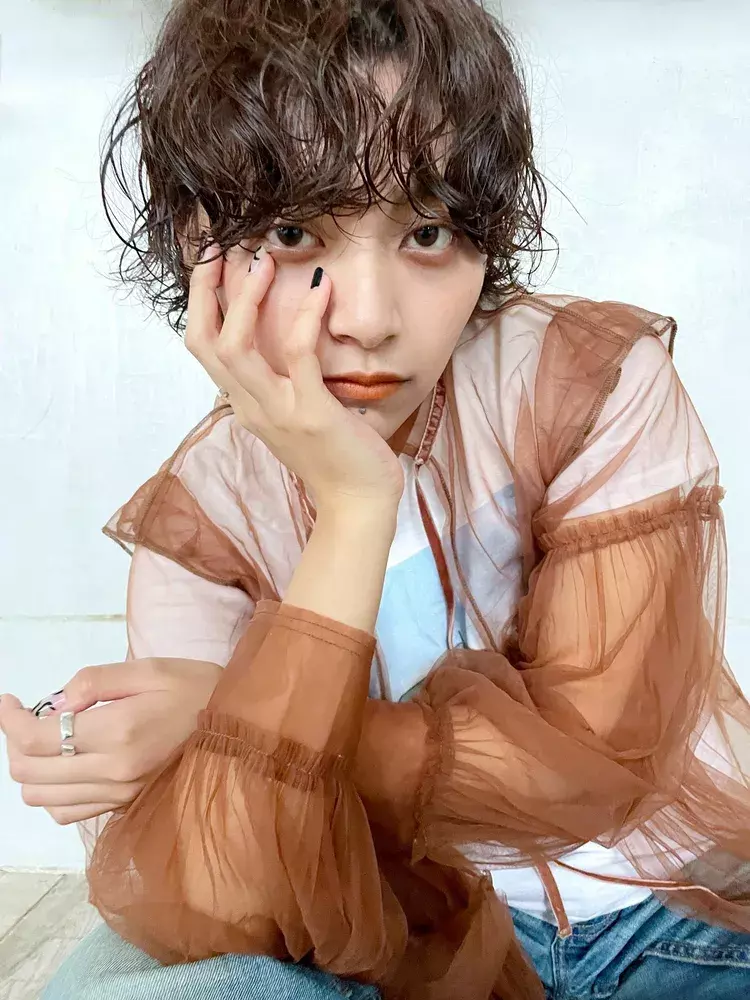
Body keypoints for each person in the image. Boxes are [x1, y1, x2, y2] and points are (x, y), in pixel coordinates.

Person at [2, 0, 750, 997]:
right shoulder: (206, 518)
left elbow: (587, 767)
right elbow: (237, 899)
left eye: (427, 231)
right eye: (295, 231)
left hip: (671, 917)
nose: (366, 318)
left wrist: (233, 715)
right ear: (197, 242)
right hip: (405, 940)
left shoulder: (579, 384)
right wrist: (355, 509)